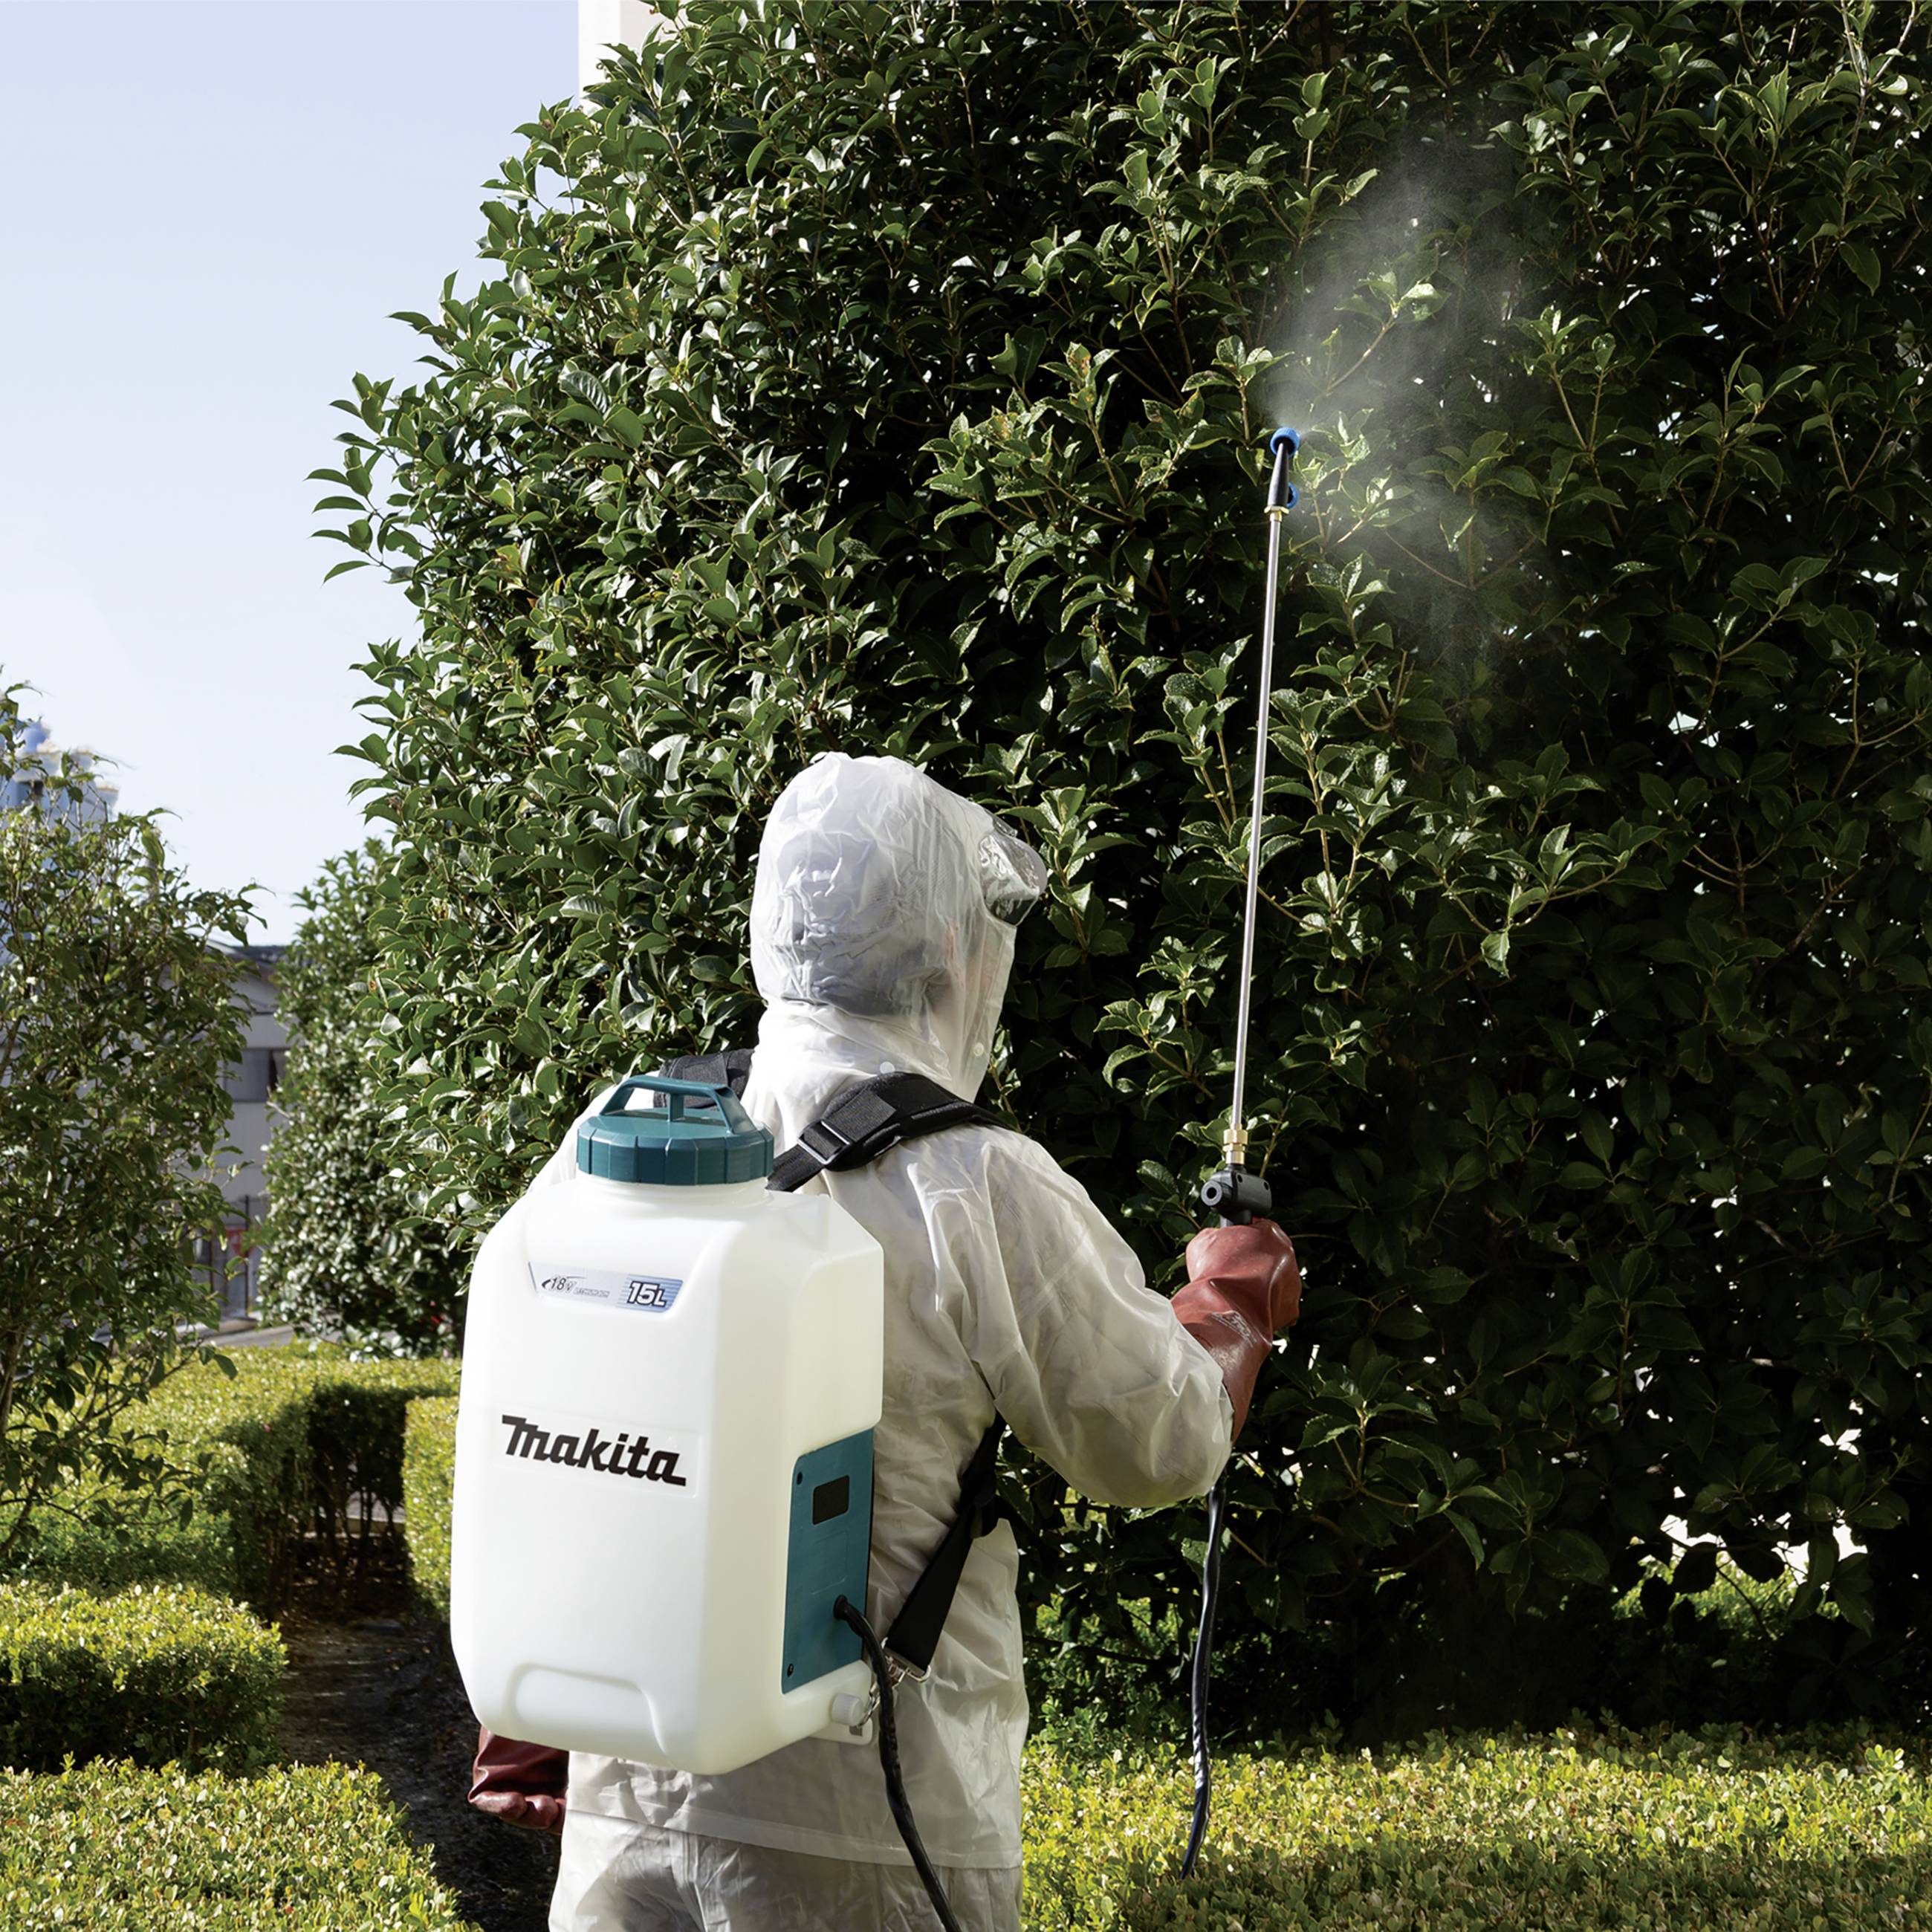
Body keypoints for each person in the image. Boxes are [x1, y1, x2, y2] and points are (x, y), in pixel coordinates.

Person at [548, 752, 1300, 1932]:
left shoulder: (626, 1133)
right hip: (865, 1822)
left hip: (631, 1798)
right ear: (951, 951)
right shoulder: (970, 1180)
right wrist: (1231, 1302)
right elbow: (1154, 1440)